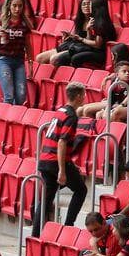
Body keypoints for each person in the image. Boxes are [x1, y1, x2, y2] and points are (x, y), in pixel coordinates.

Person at [34, 82, 88, 237]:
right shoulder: (71, 115)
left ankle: (35, 235)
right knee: (81, 190)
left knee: (46, 199)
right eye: (83, 95)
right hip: (55, 162)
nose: (84, 97)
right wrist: (63, 171)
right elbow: (62, 142)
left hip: (44, 159)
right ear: (78, 96)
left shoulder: (59, 111)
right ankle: (68, 225)